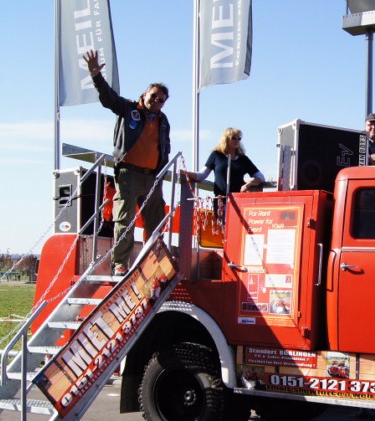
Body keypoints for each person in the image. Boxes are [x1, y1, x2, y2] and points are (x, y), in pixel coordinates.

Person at [83, 49, 171, 276]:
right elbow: (108, 99)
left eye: (161, 100)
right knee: (125, 219)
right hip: (128, 175)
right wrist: (96, 75)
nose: (156, 101)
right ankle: (120, 263)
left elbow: (165, 146)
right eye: (154, 96)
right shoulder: (129, 109)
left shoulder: (163, 121)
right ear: (145, 94)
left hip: (152, 177)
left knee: (156, 222)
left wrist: (162, 171)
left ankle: (154, 261)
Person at [187, 127, 265, 197]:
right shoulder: (216, 155)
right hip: (220, 200)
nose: (237, 141)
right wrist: (185, 173)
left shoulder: (243, 159)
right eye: (233, 138)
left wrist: (249, 184)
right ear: (226, 139)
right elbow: (202, 175)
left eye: (239, 138)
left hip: (238, 199)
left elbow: (261, 177)